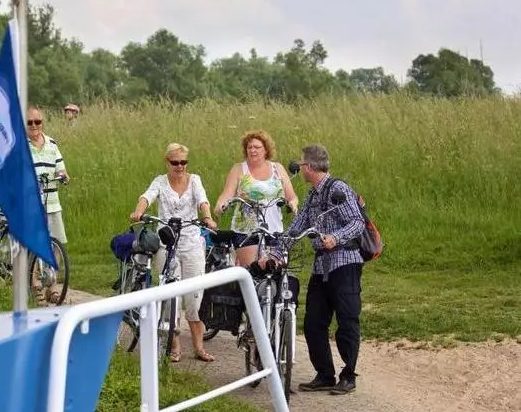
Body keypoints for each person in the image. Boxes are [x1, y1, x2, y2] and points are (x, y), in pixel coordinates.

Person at [266, 144, 365, 395]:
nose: (300, 169)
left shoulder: (337, 189)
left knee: (347, 319)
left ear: (309, 167)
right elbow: (296, 227)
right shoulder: (312, 195)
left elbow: (357, 222)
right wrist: (277, 253)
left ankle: (348, 374)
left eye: (301, 165)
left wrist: (336, 237)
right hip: (322, 266)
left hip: (345, 262)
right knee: (313, 322)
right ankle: (325, 374)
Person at [129, 143, 217, 363]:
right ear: (167, 162)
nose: (180, 167)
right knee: (170, 295)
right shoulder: (160, 181)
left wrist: (207, 217)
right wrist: (139, 211)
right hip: (166, 243)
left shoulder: (194, 180)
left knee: (196, 295)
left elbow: (202, 201)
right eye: (175, 162)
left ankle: (198, 346)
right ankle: (174, 345)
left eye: (184, 162)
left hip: (191, 242)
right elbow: (146, 196)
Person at [214, 130, 298, 267]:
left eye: (257, 147)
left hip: (274, 229)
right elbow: (226, 195)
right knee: (254, 272)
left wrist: (292, 204)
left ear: (266, 150)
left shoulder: (278, 168)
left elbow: (292, 196)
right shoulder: (239, 169)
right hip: (247, 231)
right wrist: (221, 206)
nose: (252, 150)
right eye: (249, 147)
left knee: (276, 272)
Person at [28, 107, 70, 244]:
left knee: (57, 244)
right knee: (33, 246)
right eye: (29, 122)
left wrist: (63, 175)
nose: (34, 125)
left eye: (37, 121)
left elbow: (60, 169)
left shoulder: (52, 143)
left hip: (52, 203)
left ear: (42, 123)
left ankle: (55, 267)